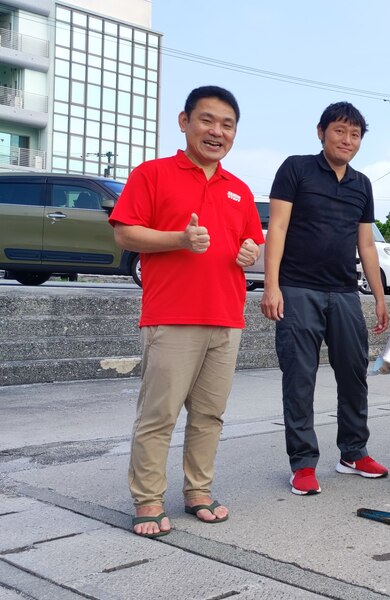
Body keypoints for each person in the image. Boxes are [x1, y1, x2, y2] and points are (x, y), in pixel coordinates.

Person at [110, 85, 263, 538]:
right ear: (184, 121)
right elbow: (125, 233)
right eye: (207, 120)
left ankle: (198, 490)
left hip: (227, 318)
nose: (217, 132)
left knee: (210, 415)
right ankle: (148, 499)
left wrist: (249, 252)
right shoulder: (153, 174)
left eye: (227, 125)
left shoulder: (239, 188)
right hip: (172, 316)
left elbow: (250, 242)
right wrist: (178, 239)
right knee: (159, 414)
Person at [260, 101, 390, 496]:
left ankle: (353, 452)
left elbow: (366, 245)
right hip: (298, 288)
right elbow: (277, 227)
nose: (346, 140)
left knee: (353, 373)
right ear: (321, 132)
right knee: (299, 376)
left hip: (345, 292)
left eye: (354, 135)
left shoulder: (362, 184)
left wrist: (380, 298)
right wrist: (271, 285)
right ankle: (302, 463)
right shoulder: (296, 168)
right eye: (339, 131)